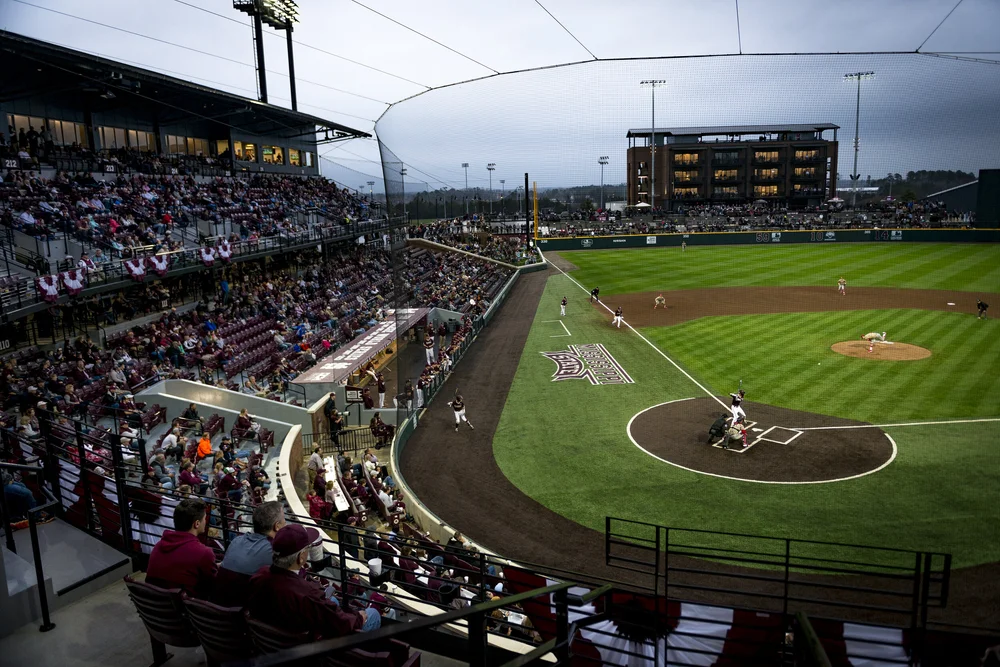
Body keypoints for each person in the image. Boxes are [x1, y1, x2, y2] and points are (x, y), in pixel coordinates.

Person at [247, 524, 380, 636]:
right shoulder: (309, 594)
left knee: (333, 600)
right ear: (301, 557)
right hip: (306, 644)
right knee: (372, 614)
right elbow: (342, 623)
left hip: (272, 638)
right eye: (307, 548)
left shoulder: (259, 575)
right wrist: (359, 618)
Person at [214, 501, 286, 606]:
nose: (285, 522)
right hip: (242, 611)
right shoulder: (275, 550)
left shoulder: (236, 541)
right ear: (277, 526)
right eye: (284, 519)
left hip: (218, 605)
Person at [145, 498, 217, 598]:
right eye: (204, 518)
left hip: (154, 603)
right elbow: (214, 585)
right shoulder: (204, 553)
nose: (205, 521)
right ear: (197, 524)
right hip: (184, 606)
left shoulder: (158, 546)